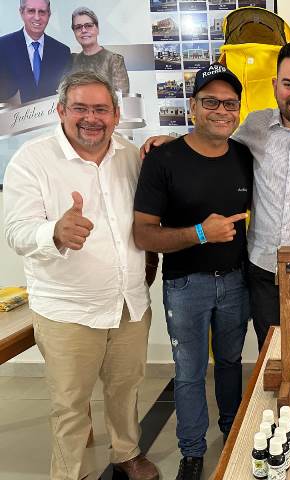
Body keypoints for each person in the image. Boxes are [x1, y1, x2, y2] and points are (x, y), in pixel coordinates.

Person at [141, 39, 290, 352]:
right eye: (288, 84)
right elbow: (216, 143)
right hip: (262, 270)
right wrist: (176, 143)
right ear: (275, 85)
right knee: (271, 354)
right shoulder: (255, 124)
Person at [4, 72, 158, 480]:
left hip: (128, 302)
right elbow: (15, 232)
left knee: (126, 388)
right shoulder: (32, 160)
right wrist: (53, 231)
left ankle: (126, 452)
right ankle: (70, 473)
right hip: (68, 310)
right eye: (80, 108)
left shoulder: (129, 155)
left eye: (101, 109)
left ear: (116, 114)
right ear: (60, 111)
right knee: (70, 404)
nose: (91, 118)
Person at [133, 63, 252, 480]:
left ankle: (233, 432)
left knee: (231, 362)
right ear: (193, 107)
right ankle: (192, 451)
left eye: (230, 104)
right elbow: (144, 234)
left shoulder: (244, 155)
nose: (221, 110)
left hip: (236, 280)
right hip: (185, 285)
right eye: (210, 102)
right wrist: (201, 233)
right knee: (188, 372)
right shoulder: (163, 159)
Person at [0, 0, 71, 103]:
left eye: (42, 12)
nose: (37, 17)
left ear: (49, 14)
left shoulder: (62, 52)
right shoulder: (3, 47)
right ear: (21, 13)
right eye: (31, 11)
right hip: (12, 112)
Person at [69, 6, 130, 94]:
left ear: (97, 29)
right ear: (74, 32)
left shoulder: (114, 60)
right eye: (78, 27)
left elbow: (121, 97)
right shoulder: (72, 60)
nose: (83, 30)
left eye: (88, 25)